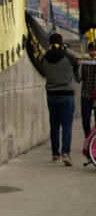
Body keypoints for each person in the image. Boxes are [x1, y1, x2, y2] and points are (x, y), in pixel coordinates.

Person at [40, 33, 81, 166]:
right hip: (67, 95)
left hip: (51, 95)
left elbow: (43, 71)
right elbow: (78, 77)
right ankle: (66, 153)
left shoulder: (45, 59)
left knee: (54, 126)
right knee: (67, 126)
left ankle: (55, 154)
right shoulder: (69, 58)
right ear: (61, 42)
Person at [80, 41, 96, 137]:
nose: (93, 52)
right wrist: (78, 67)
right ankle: (88, 138)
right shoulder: (86, 62)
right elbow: (79, 78)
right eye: (92, 50)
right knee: (86, 120)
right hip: (86, 94)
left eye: (95, 50)